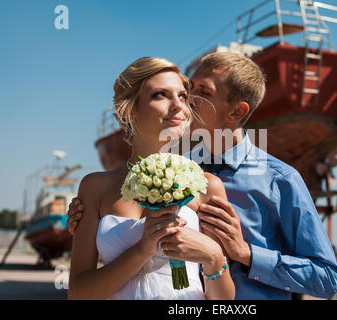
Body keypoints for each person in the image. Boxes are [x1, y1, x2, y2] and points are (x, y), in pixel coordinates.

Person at [68, 52, 337, 300]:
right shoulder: (174, 173)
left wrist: (244, 253)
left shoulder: (277, 179)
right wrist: (91, 228)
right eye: (189, 91)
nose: (187, 103)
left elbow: (327, 279)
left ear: (236, 111)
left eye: (199, 93)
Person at [68, 57, 235, 300]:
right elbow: (78, 295)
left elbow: (224, 301)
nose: (179, 105)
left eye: (183, 96)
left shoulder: (207, 186)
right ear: (129, 111)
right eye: (160, 95)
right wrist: (142, 250)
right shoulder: (95, 186)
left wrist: (214, 258)